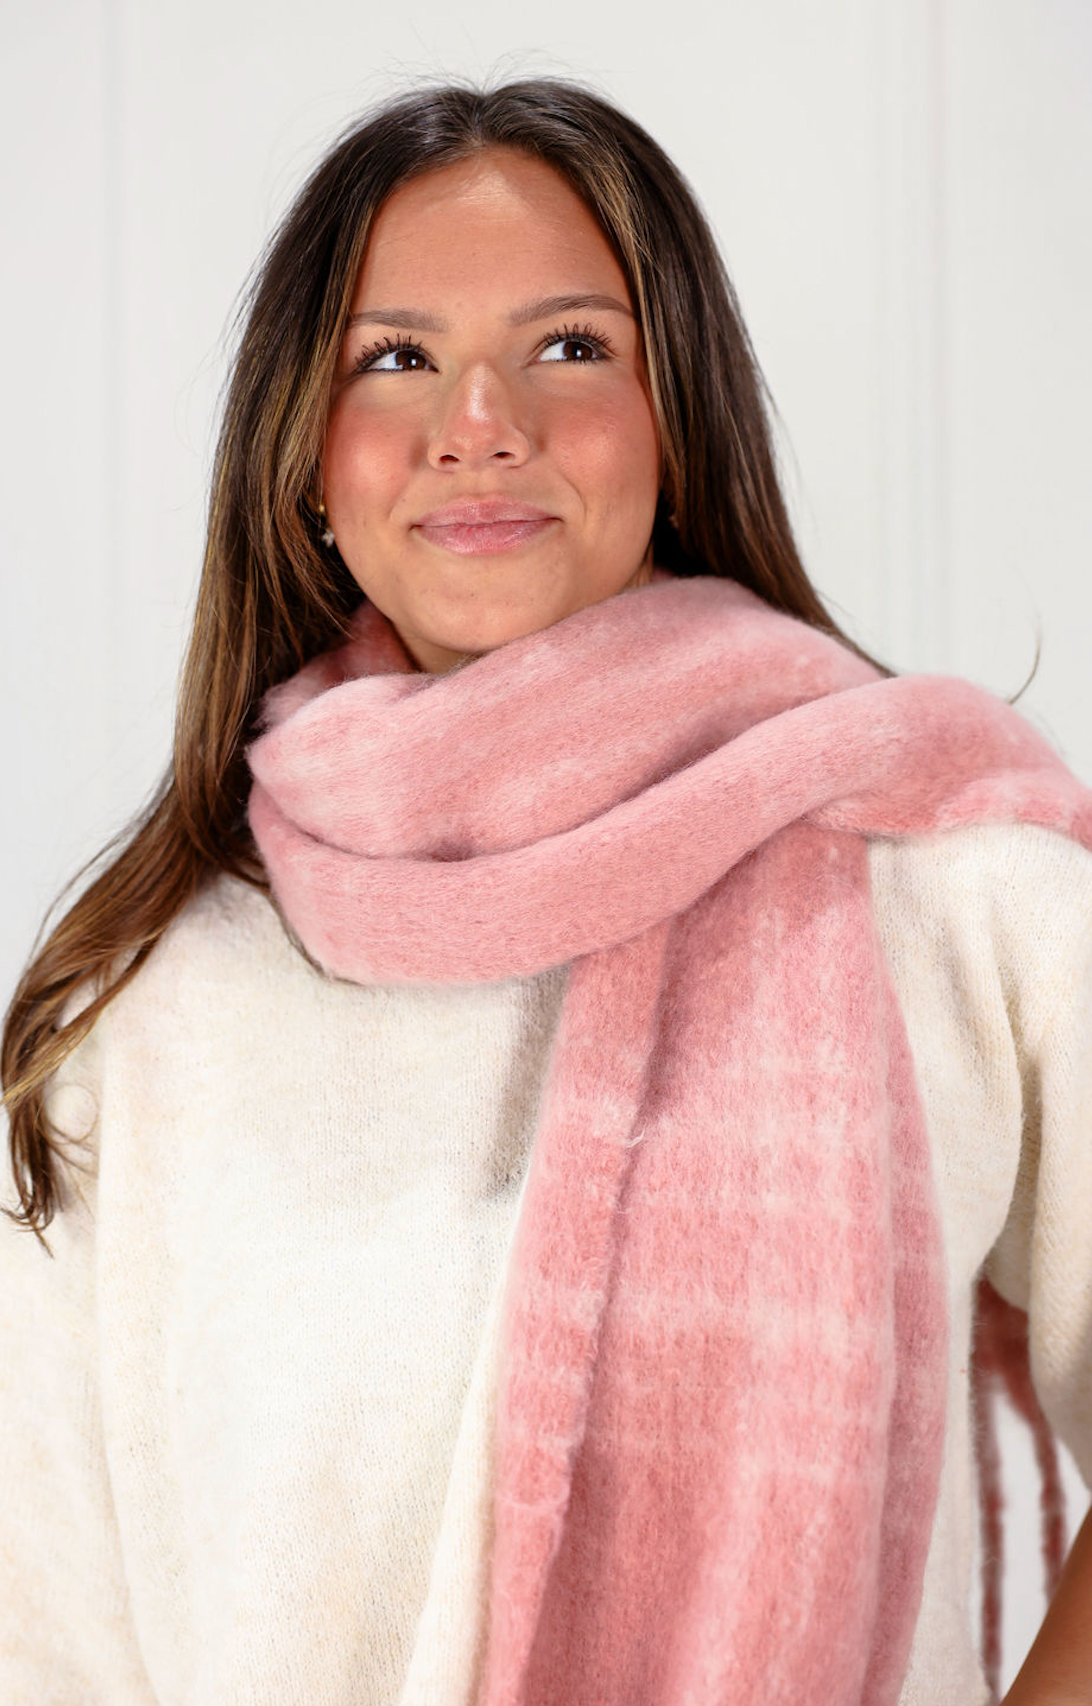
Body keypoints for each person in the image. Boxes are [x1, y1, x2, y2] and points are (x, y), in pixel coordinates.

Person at [2, 75, 1091, 1706]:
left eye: (571, 346)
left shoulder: (948, 892)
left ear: (676, 419)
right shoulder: (145, 1005)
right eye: (396, 358)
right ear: (308, 459)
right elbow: (45, 1637)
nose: (481, 418)